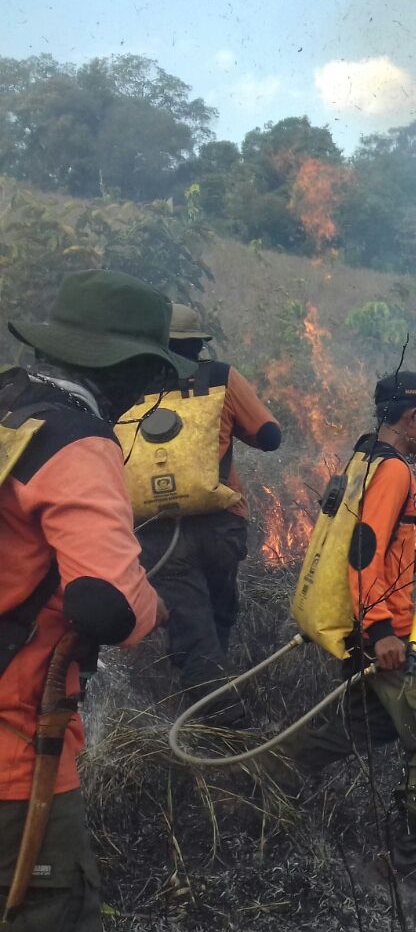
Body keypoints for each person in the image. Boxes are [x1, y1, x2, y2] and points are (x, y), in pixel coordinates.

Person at [0, 270, 183, 931]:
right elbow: (107, 604)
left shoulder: (9, 411)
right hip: (15, 750)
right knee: (52, 910)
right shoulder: (75, 440)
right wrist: (153, 604)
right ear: (126, 371)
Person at [282, 371, 416, 875]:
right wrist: (382, 630)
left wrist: (413, 562)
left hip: (362, 621)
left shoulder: (365, 457)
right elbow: (363, 549)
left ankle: (269, 779)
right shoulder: (395, 471)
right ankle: (411, 858)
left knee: (367, 723)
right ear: (412, 416)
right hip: (384, 630)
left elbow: (371, 536)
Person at [120, 304, 281, 724]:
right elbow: (269, 436)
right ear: (197, 345)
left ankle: (207, 710)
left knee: (192, 628)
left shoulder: (123, 380)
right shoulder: (220, 377)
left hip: (156, 529)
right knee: (217, 614)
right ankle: (224, 725)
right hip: (221, 524)